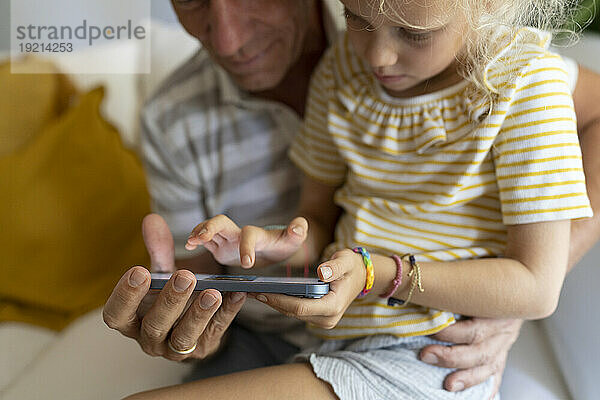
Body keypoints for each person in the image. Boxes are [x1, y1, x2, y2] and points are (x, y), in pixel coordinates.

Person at [103, 0, 600, 397]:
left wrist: (377, 272)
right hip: (331, 342)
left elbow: (537, 286)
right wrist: (271, 246)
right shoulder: (344, 67)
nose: (378, 57)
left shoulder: (528, 85)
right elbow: (317, 221)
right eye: (356, 20)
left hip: (427, 355)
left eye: (415, 34)